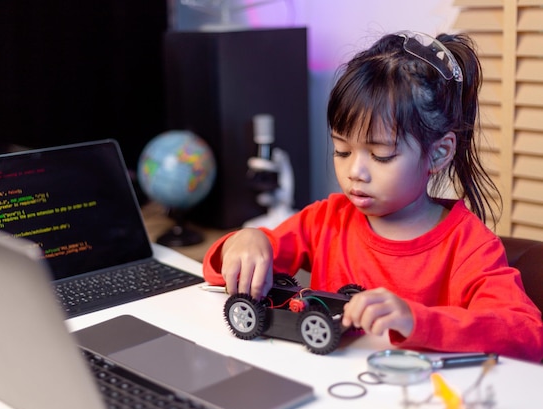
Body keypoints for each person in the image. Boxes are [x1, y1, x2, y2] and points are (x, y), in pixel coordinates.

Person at [202, 31, 543, 362]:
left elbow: (527, 335)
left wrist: (417, 320)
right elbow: (219, 272)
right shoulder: (327, 219)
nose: (355, 172)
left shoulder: (469, 247)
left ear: (439, 154)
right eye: (341, 151)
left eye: (381, 155)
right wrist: (244, 242)